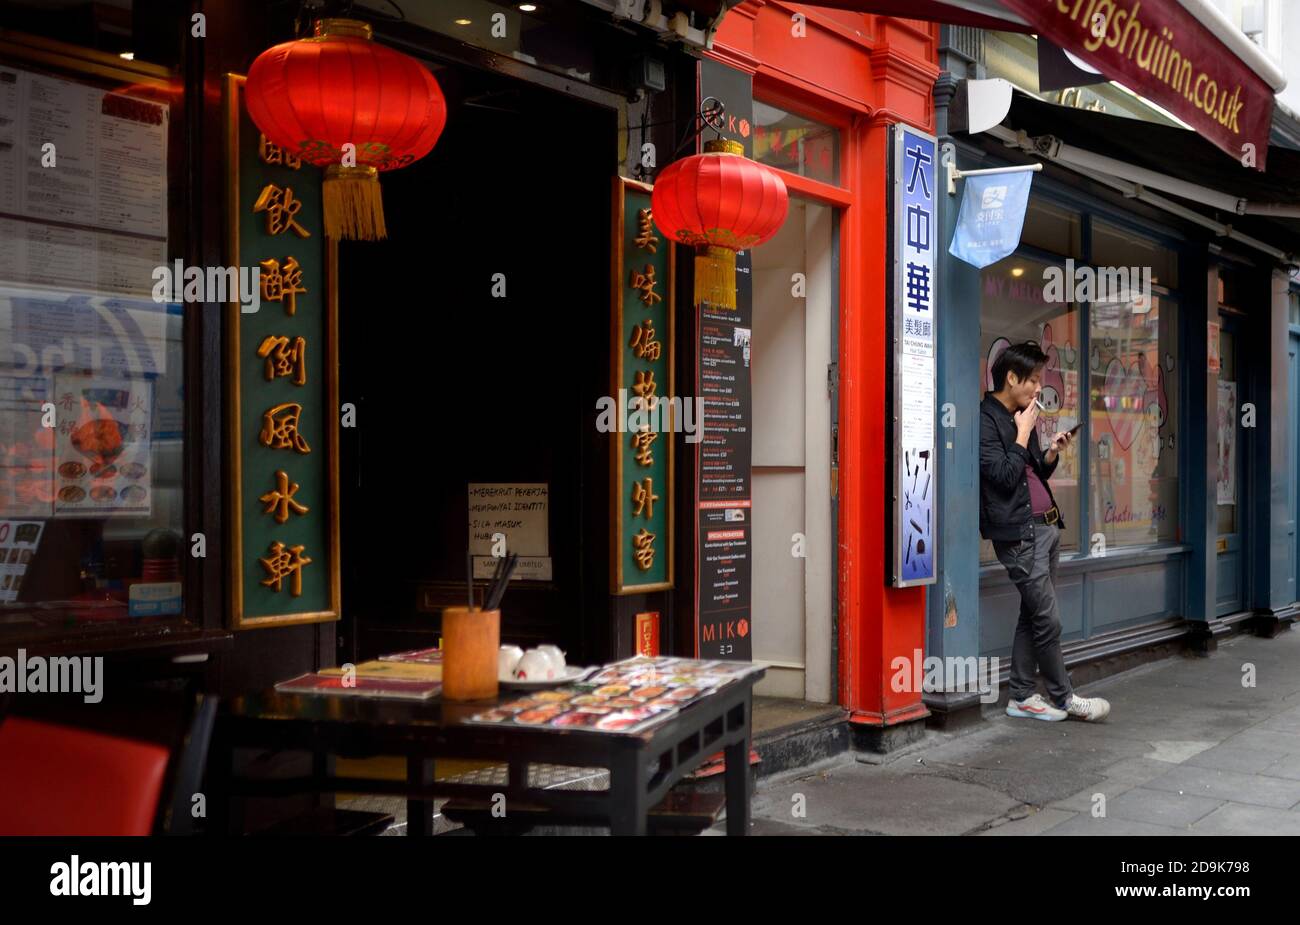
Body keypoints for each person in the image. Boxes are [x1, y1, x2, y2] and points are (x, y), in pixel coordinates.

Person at [979, 341, 1109, 723]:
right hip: (1020, 535)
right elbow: (1002, 477)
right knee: (1049, 619)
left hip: (1047, 528)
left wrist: (1050, 451)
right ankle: (1066, 698)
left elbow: (1032, 471)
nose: (1039, 388)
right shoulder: (986, 419)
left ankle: (1020, 695)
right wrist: (1022, 433)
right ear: (1011, 378)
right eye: (1033, 379)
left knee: (1032, 615)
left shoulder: (1024, 416)